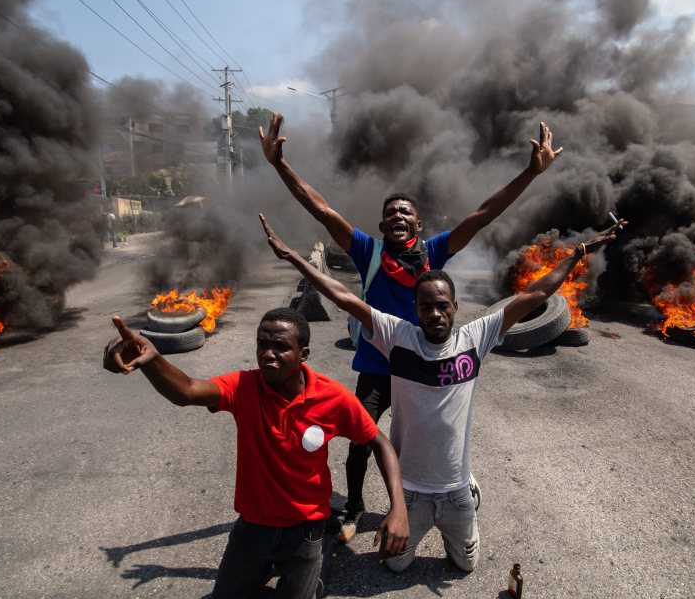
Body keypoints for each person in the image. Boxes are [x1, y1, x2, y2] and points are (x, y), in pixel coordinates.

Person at [259, 113, 563, 543]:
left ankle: (454, 486)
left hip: (425, 366)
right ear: (383, 226)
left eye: (406, 211)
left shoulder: (435, 252)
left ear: (418, 226)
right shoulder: (368, 250)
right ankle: (356, 508)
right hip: (380, 366)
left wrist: (531, 172)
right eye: (390, 213)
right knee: (359, 439)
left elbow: (482, 215)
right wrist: (278, 165)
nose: (398, 215)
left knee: (436, 435)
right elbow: (322, 209)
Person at [260, 212, 622, 574]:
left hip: (456, 491)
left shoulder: (475, 338)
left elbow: (538, 293)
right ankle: (412, 517)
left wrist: (579, 253)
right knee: (395, 565)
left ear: (455, 308)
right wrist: (293, 257)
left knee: (466, 565)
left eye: (442, 305)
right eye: (426, 307)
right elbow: (341, 295)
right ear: (415, 311)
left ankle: (470, 494)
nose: (435, 313)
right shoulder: (397, 336)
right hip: (410, 493)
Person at [103, 309, 409, 599]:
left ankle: (323, 552)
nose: (267, 353)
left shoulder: (332, 397)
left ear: (303, 354)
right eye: (261, 344)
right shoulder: (244, 386)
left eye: (279, 346)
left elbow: (379, 441)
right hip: (254, 525)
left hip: (305, 527)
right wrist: (151, 360)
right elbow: (188, 391)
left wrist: (399, 507)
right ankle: (271, 563)